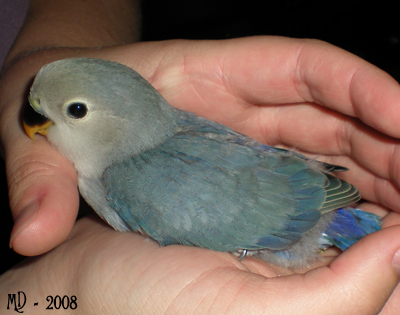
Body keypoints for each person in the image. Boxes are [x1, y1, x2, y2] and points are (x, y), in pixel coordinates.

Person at [0, 1, 399, 314]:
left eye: (74, 110)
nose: (36, 122)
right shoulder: (151, 137)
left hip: (308, 221)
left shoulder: (127, 180)